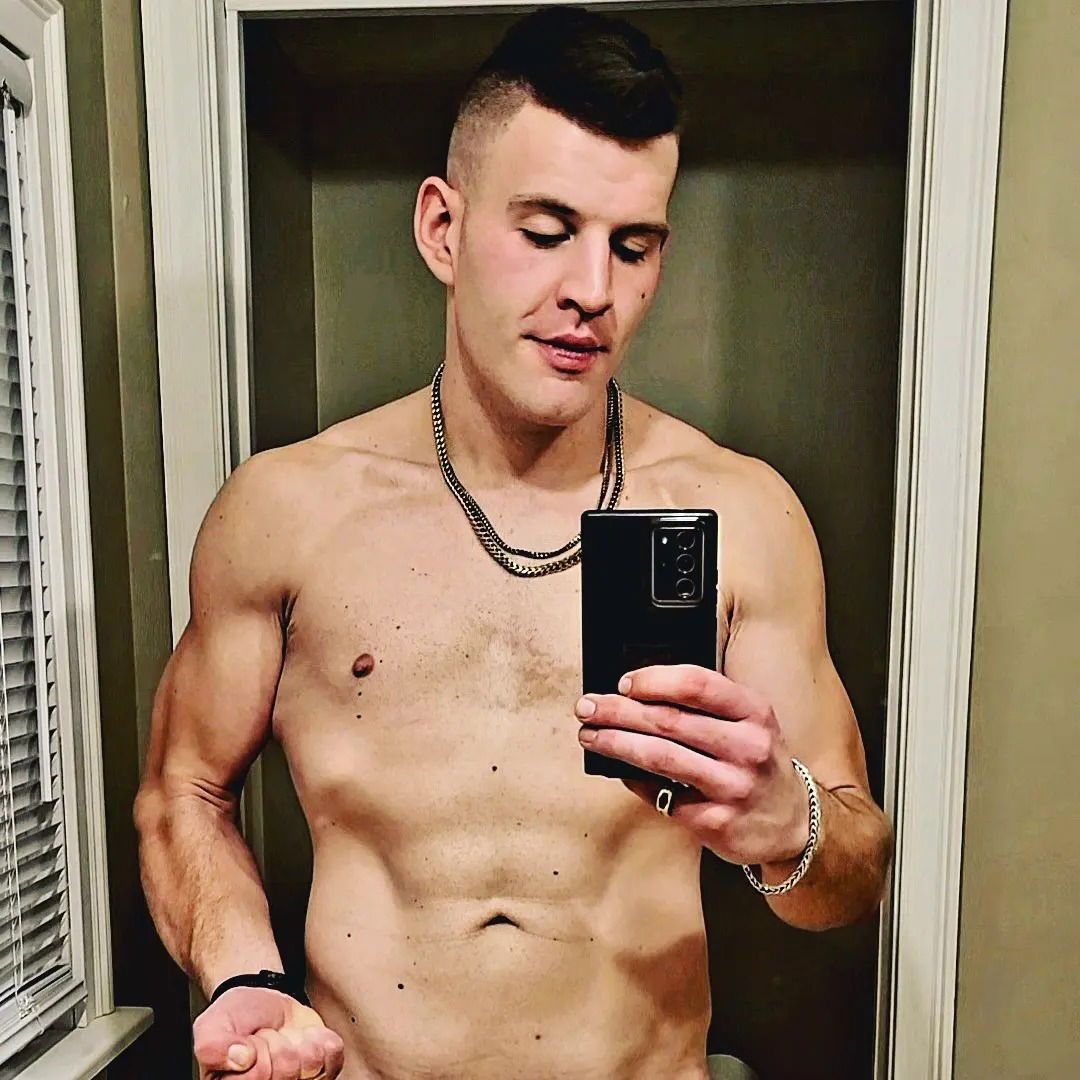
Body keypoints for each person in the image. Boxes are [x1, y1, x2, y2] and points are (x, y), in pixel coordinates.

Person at [134, 6, 894, 1079]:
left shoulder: (740, 512)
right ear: (442, 229)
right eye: (546, 231)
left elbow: (854, 868)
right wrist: (244, 978)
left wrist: (791, 823)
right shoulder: (289, 509)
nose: (593, 290)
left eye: (633, 246)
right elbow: (183, 791)